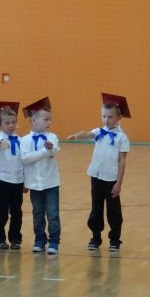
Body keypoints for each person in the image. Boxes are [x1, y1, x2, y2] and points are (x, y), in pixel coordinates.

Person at [66, 93, 131, 252]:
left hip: (111, 180)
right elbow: (88, 133)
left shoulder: (122, 138)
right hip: (96, 177)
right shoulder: (99, 132)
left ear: (119, 118)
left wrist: (118, 183)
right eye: (104, 116)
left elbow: (122, 161)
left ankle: (114, 239)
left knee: (113, 211)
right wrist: (77, 135)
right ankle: (95, 237)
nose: (106, 120)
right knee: (96, 209)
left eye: (110, 117)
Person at [19, 97, 61, 255]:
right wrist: (44, 152)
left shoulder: (52, 137)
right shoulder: (24, 140)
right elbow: (24, 159)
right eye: (46, 119)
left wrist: (48, 150)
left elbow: (53, 151)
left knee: (53, 213)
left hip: (51, 183)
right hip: (34, 184)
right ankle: (39, 239)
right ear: (34, 120)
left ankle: (54, 241)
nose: (49, 122)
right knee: (37, 213)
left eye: (50, 119)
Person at [0, 101, 25, 250]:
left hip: (18, 180)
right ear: (0, 124)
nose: (11, 125)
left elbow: (23, 161)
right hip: (3, 180)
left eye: (13, 122)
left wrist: (25, 180)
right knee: (2, 211)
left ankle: (15, 238)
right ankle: (0, 239)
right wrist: (3, 142)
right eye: (7, 123)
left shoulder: (20, 140)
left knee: (17, 212)